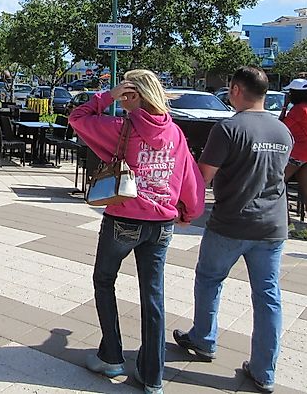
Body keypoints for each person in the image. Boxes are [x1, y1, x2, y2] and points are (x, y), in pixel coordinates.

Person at [69, 69, 205, 394]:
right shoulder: (175, 133)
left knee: (104, 281)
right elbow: (189, 177)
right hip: (161, 225)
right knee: (153, 296)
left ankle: (112, 356)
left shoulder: (122, 128)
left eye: (127, 92)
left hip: (123, 221)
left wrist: (108, 96)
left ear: (134, 95)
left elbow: (78, 117)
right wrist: (189, 211)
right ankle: (152, 376)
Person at [174, 66, 293, 394]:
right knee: (268, 297)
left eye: (229, 89)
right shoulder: (283, 131)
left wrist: (185, 210)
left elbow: (202, 176)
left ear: (238, 90)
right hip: (273, 227)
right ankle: (264, 371)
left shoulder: (228, 128)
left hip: (231, 224)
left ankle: (203, 338)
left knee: (210, 279)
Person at [279, 78, 307, 242]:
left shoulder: (298, 110)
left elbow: (281, 127)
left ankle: (287, 223)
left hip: (296, 153)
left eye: (291, 92)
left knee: (278, 183)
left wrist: (284, 106)